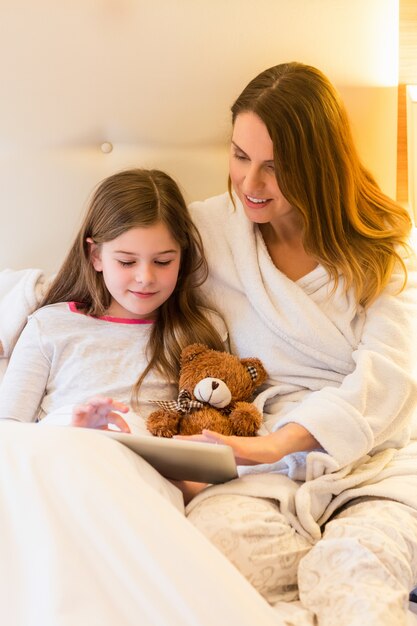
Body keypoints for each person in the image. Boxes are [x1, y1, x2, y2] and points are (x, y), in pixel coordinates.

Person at [182, 62, 417, 626]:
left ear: (319, 164)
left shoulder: (388, 243)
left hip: (379, 455)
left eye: (275, 167)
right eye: (240, 156)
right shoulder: (208, 234)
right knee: (210, 554)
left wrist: (281, 442)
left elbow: (388, 372)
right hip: (261, 464)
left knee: (351, 574)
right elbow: (119, 274)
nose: (250, 184)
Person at [0, 168, 227, 432]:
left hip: (152, 468)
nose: (145, 277)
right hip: (65, 456)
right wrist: (72, 429)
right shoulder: (49, 326)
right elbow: (9, 431)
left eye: (163, 261)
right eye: (127, 262)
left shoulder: (201, 332)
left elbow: (221, 428)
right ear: (95, 256)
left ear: (182, 256)